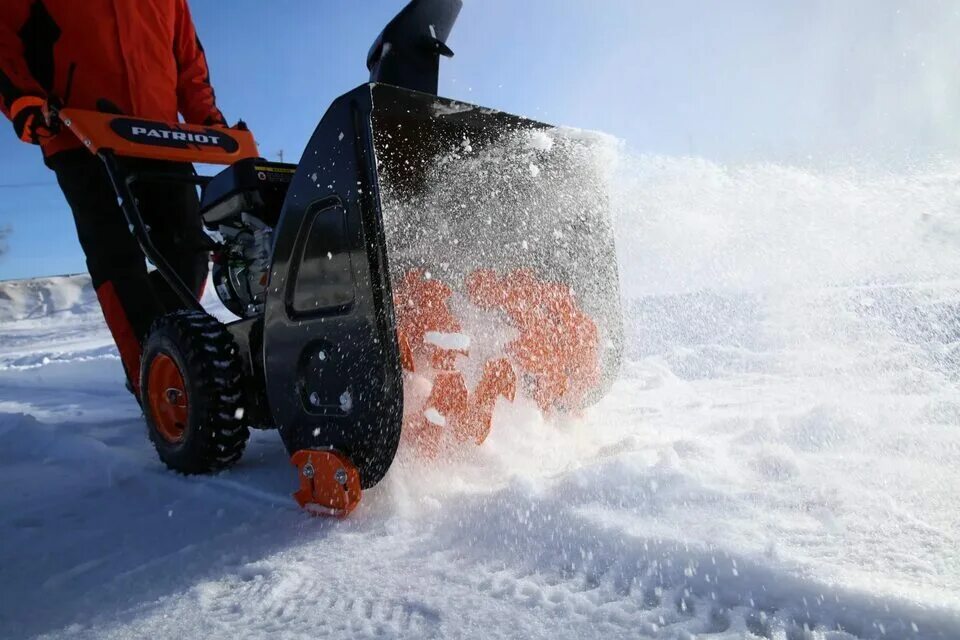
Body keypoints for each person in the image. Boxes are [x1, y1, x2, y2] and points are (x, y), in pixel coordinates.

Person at [0, 0, 227, 396]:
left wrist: (205, 117)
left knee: (189, 250)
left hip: (159, 133)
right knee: (117, 257)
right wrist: (23, 98)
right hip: (80, 130)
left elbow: (187, 56)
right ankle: (156, 383)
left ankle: (170, 355)